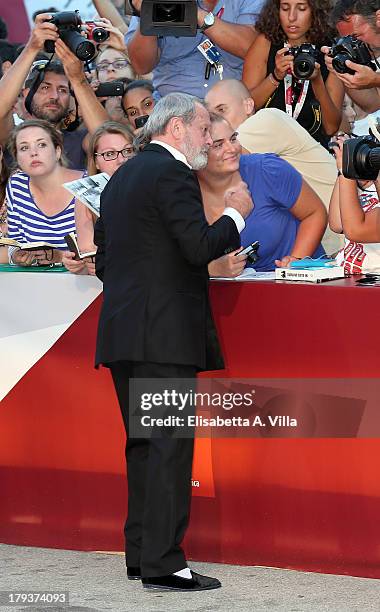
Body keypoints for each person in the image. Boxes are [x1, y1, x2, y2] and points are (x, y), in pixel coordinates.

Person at [94, 92, 252, 591]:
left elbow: (104, 263)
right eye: (205, 129)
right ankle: (165, 564)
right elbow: (198, 246)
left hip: (123, 333)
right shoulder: (172, 173)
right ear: (179, 127)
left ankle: (142, 555)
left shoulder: (121, 179)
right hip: (162, 336)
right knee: (167, 450)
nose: (210, 140)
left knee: (144, 448)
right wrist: (235, 215)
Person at [204, 79, 341, 253]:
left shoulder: (265, 119)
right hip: (329, 232)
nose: (216, 121)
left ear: (248, 105)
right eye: (211, 115)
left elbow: (215, 161)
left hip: (336, 234)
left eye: (222, 110)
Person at [197, 113, 327, 273]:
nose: (232, 149)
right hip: (234, 292)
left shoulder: (267, 169)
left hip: (299, 281)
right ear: (197, 154)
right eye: (218, 145)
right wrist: (213, 269)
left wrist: (296, 261)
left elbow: (315, 213)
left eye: (233, 139)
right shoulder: (181, 191)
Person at [242, 0, 344, 147]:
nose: (291, 17)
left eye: (301, 9)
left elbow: (331, 127)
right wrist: (275, 77)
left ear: (316, 11)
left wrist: (317, 81)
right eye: (285, 8)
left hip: (312, 148)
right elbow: (244, 109)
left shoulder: (329, 52)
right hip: (266, 146)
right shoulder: (265, 43)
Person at [125, 0, 264, 99]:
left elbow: (253, 49)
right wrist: (148, 13)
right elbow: (141, 66)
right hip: (175, 107)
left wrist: (194, 13)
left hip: (232, 106)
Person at [6, 119, 83, 266]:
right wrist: (16, 256)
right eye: (24, 148)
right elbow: (14, 243)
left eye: (41, 145)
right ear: (17, 158)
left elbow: (103, 251)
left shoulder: (85, 185)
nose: (33, 153)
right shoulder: (16, 186)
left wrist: (59, 256)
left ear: (57, 151)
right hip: (38, 283)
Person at [65, 121, 136, 275]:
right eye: (109, 154)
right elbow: (89, 253)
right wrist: (81, 265)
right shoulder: (86, 194)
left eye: (128, 151)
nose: (121, 160)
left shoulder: (153, 187)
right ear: (96, 161)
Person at [329, 134, 380, 274]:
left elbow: (355, 230)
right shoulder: (357, 188)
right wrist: (343, 170)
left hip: (373, 276)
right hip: (350, 274)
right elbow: (337, 224)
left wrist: (347, 171)